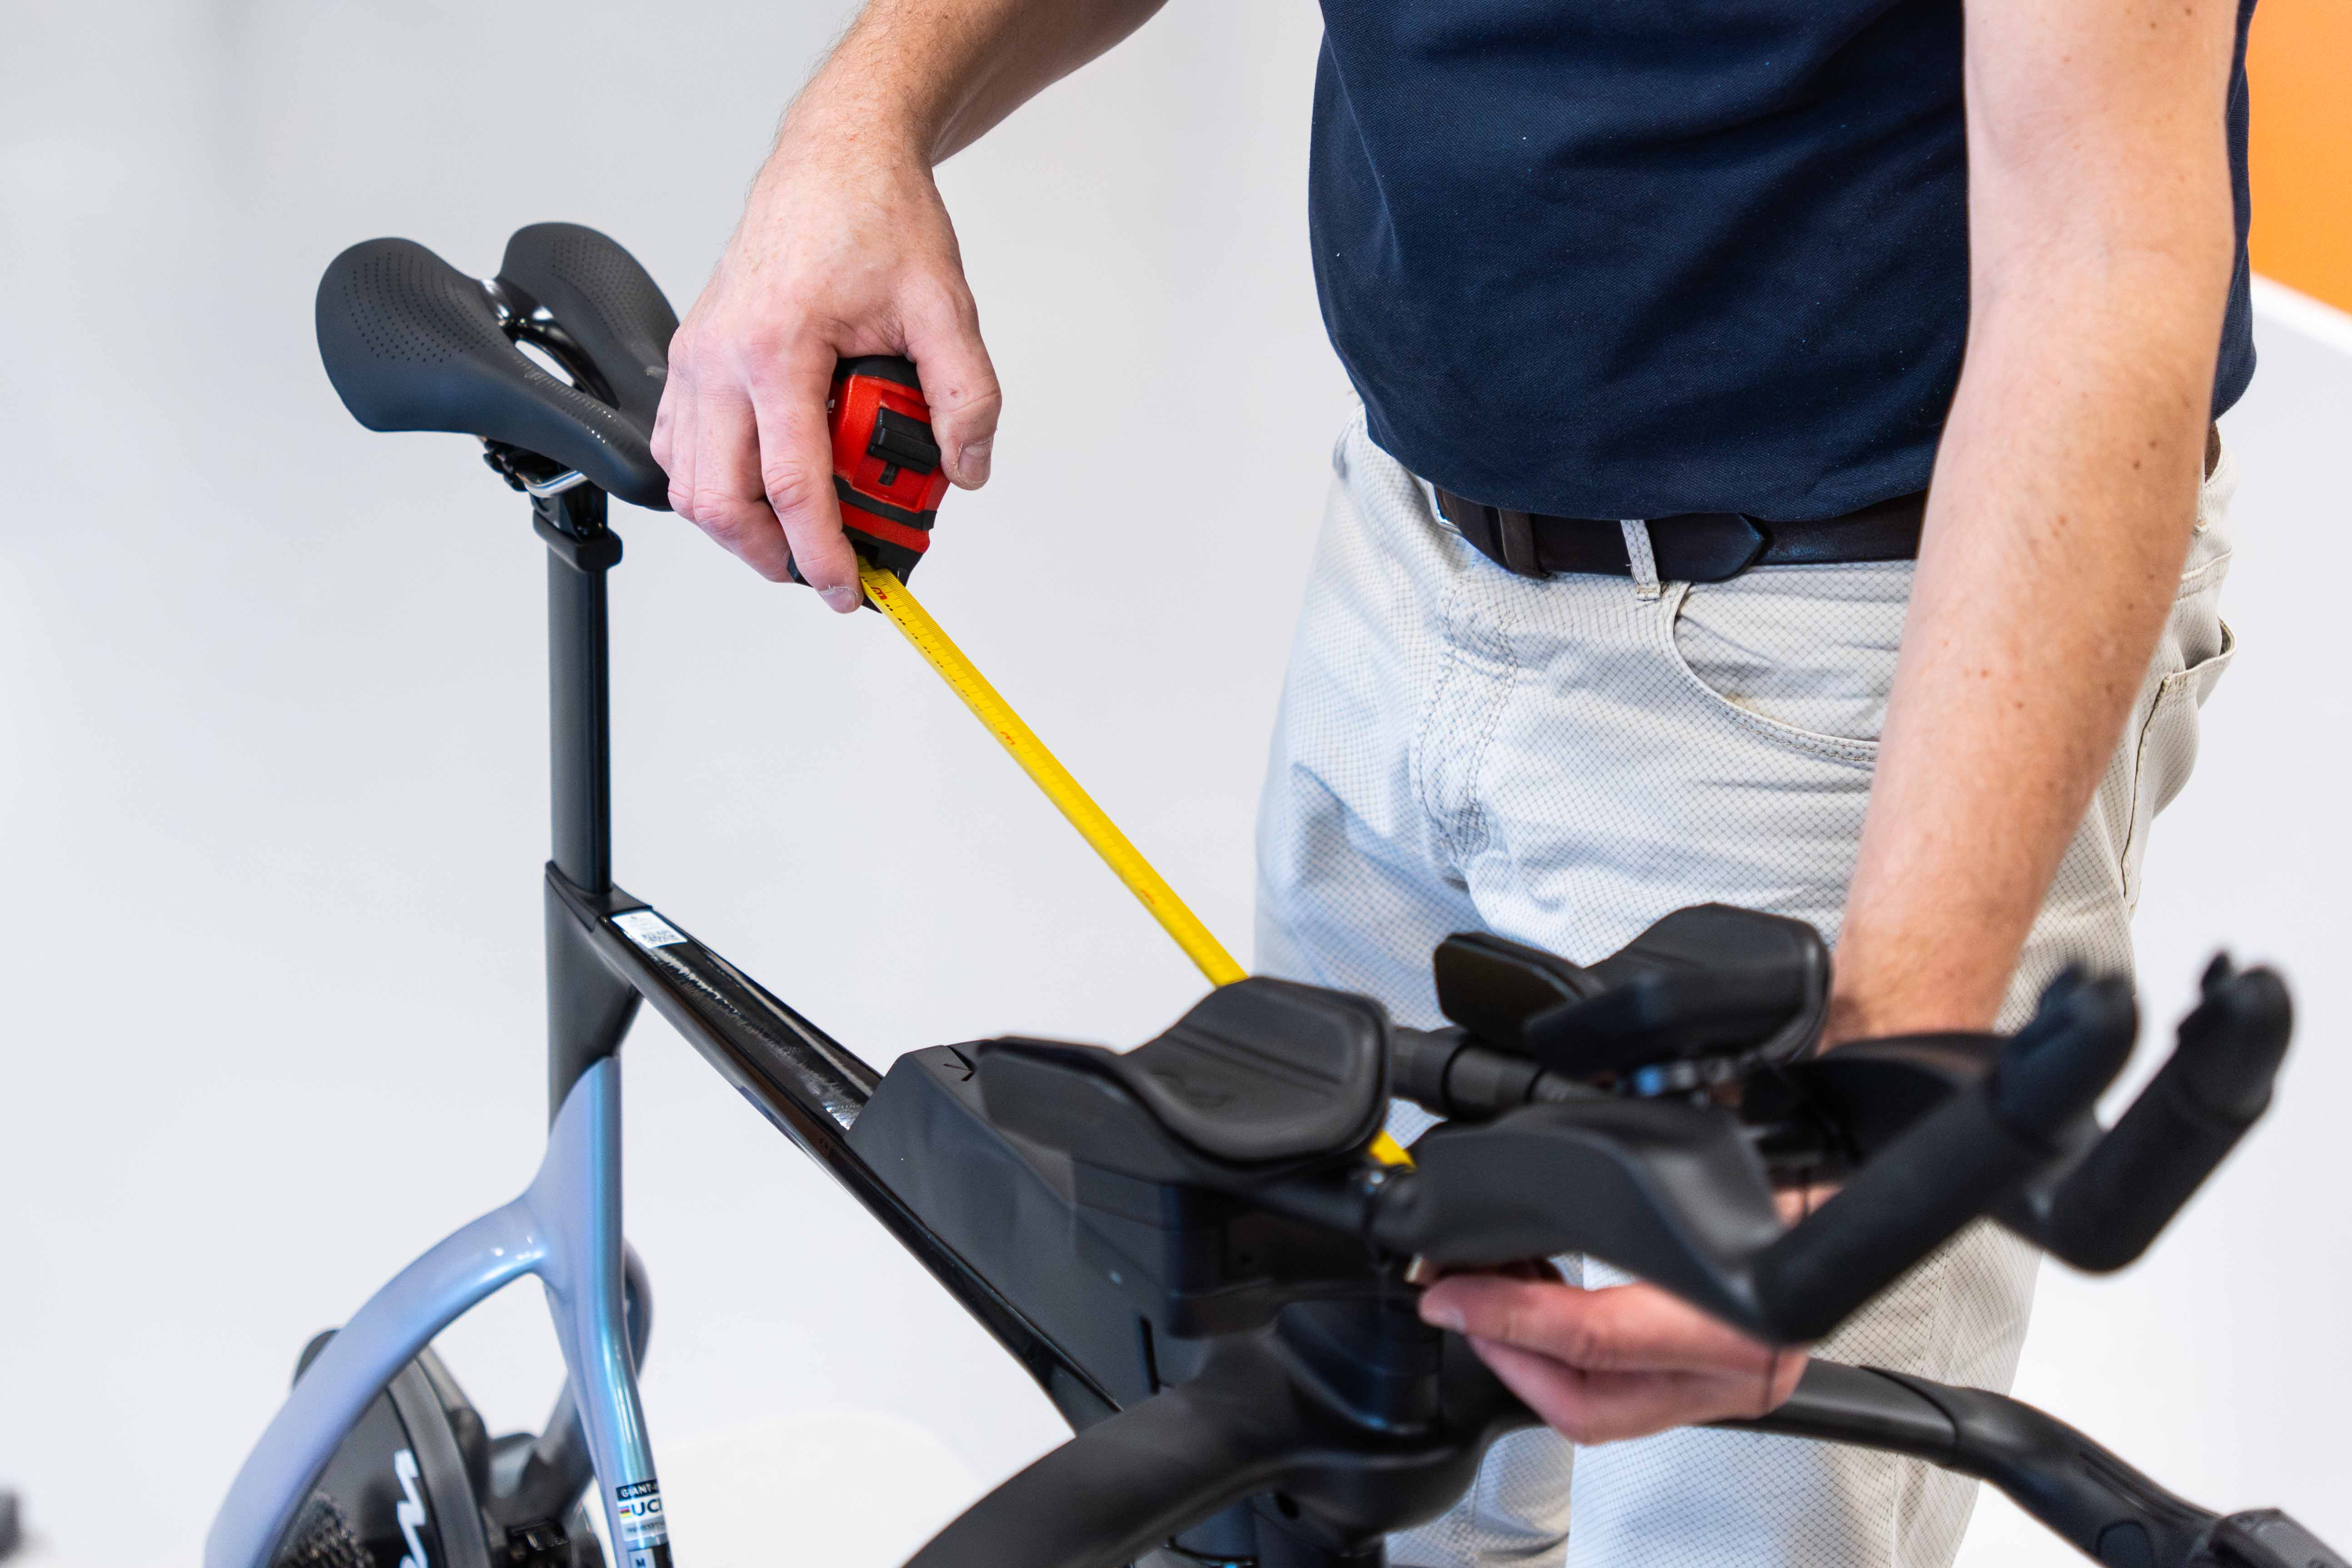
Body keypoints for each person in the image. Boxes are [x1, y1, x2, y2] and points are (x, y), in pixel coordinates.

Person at [649, 1, 2255, 1563]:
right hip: (1408, 537)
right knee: (1360, 1481)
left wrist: (1871, 1080)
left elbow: (2099, 264)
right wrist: (858, 124)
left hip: (1836, 657)